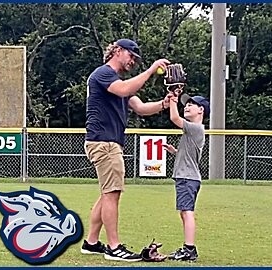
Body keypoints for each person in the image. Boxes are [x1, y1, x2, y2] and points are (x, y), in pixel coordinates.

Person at [80, 38, 172, 262]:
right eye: (131, 56)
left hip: (108, 141)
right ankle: (114, 247)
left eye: (136, 59)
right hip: (105, 141)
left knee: (106, 194)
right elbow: (123, 90)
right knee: (113, 193)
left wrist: (163, 103)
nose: (133, 61)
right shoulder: (103, 74)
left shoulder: (116, 81)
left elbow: (140, 108)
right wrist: (151, 70)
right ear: (117, 51)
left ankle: (91, 243)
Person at [163, 92, 210, 262]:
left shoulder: (195, 128)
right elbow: (190, 156)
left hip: (187, 178)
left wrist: (173, 100)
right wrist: (175, 152)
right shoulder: (192, 131)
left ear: (201, 110)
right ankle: (187, 248)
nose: (187, 106)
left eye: (192, 104)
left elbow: (175, 118)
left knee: (187, 212)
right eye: (186, 104)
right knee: (184, 212)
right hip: (188, 177)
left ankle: (189, 249)